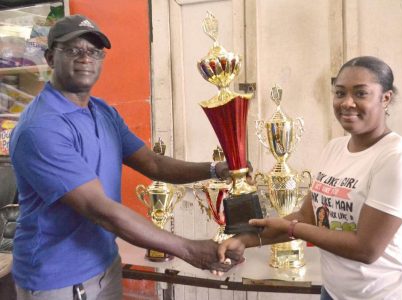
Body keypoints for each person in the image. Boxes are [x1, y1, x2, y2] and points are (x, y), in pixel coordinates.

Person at [9, 14, 242, 300]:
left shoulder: (103, 112)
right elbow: (100, 210)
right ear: (49, 58)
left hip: (105, 263)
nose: (85, 58)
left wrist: (217, 170)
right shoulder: (41, 128)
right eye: (73, 50)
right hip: (57, 280)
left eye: (94, 51)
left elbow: (154, 164)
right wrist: (188, 249)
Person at [218, 56, 402, 299]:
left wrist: (291, 228)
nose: (347, 103)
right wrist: (246, 240)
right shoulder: (334, 149)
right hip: (334, 293)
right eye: (340, 93)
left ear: (385, 98)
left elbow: (366, 249)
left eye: (361, 94)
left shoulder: (398, 157)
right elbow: (306, 217)